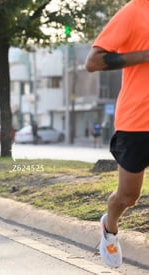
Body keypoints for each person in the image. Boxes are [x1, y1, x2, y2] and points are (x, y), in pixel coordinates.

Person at [85, 0, 149, 268]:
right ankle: (109, 227)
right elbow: (93, 62)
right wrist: (145, 55)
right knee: (127, 197)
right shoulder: (135, 11)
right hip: (137, 120)